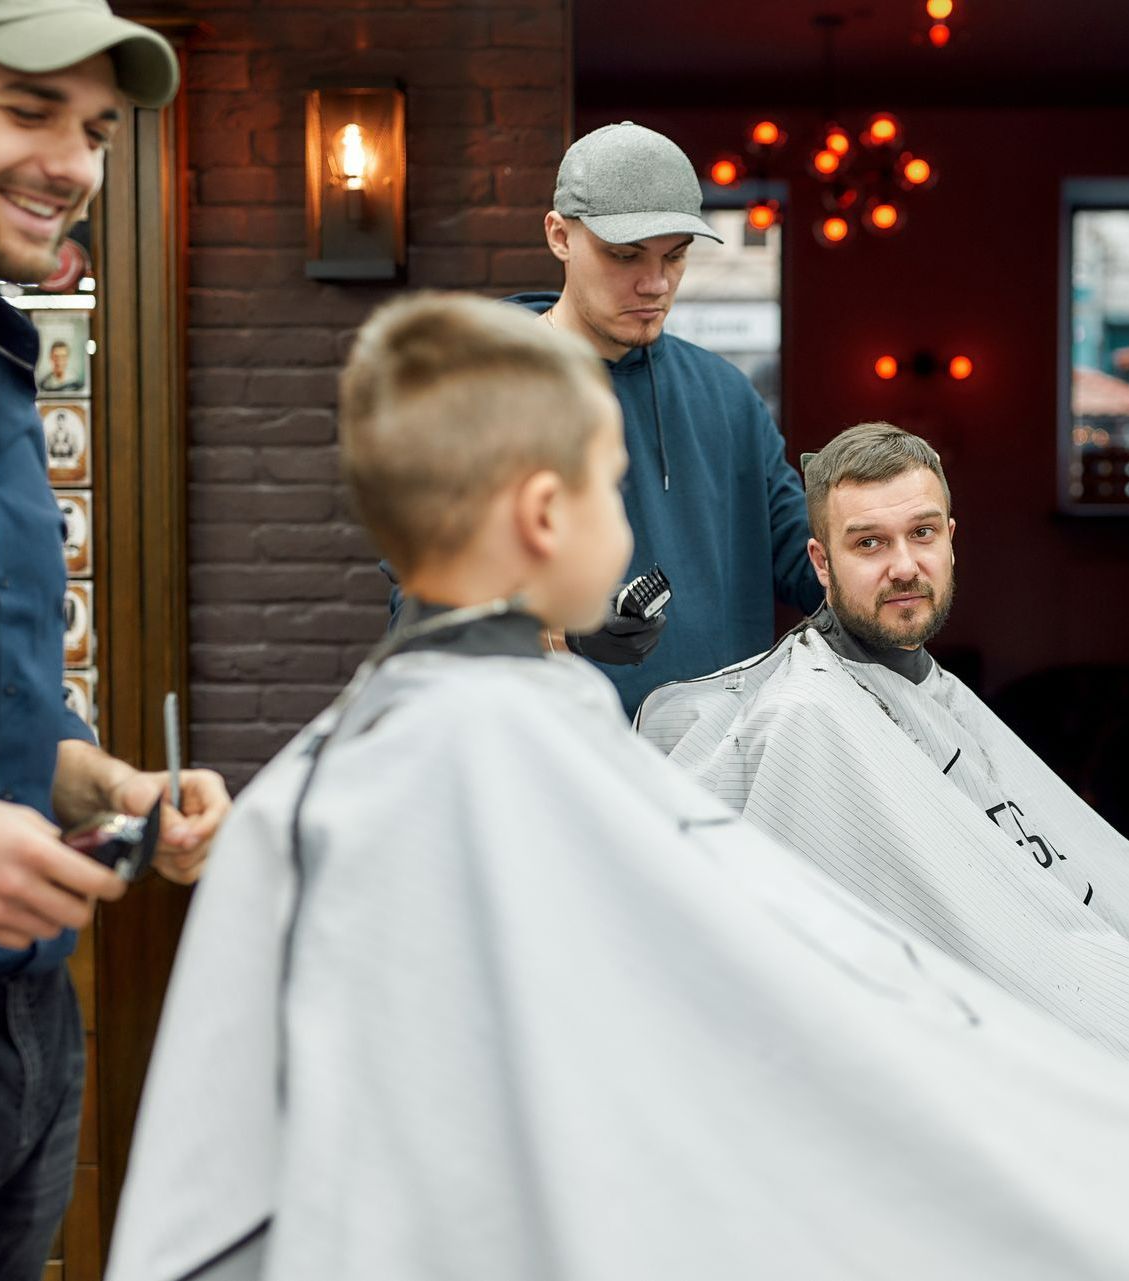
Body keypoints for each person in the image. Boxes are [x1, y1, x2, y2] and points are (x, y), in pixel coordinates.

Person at [110, 295, 1129, 1281]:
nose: (632, 526)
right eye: (614, 486)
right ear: (548, 515)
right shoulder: (510, 752)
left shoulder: (341, 767)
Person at [0, 3, 231, 1278]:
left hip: (27, 1038)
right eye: (26, 111)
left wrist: (115, 786)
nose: (72, 161)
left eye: (94, 128)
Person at [639, 420, 1129, 1056]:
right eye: (868, 543)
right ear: (821, 561)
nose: (904, 566)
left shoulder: (938, 694)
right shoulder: (804, 718)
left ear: (951, 541)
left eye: (921, 533)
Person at [503, 120, 823, 716]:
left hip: (718, 769)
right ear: (559, 236)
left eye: (675, 256)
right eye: (624, 256)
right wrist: (557, 627)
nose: (655, 284)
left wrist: (889, 554)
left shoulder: (729, 396)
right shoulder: (483, 382)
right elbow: (428, 598)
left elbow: (806, 559)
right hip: (558, 765)